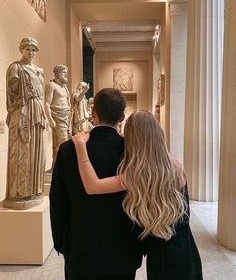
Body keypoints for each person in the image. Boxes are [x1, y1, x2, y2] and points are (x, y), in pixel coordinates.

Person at [72, 110, 203, 280]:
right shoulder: (176, 164)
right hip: (187, 249)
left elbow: (92, 186)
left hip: (161, 256)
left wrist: (80, 146)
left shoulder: (136, 175)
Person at [50, 88, 144, 280]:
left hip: (80, 247)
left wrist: (61, 241)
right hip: (123, 249)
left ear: (93, 113)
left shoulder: (68, 149)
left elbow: (58, 201)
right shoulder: (132, 151)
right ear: (122, 117)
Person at [3, 37, 46, 210]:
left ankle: (34, 190)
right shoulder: (15, 68)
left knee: (36, 151)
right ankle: (18, 193)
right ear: (21, 50)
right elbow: (13, 93)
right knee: (21, 150)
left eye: (34, 50)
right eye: (28, 49)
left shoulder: (38, 71)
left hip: (36, 110)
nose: (31, 53)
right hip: (22, 111)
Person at [44, 65, 71, 168]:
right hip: (57, 117)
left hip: (66, 117)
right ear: (59, 73)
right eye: (64, 73)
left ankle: (58, 166)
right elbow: (47, 103)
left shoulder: (64, 88)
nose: (66, 75)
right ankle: (61, 167)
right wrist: (50, 119)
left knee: (66, 143)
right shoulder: (51, 85)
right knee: (62, 143)